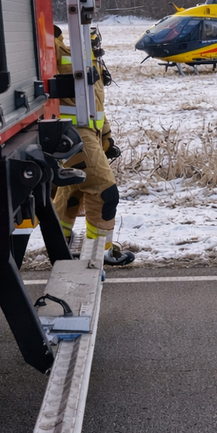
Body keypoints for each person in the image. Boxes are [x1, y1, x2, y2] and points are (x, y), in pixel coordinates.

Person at [52, 25, 134, 266]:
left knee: (73, 189)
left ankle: (59, 241)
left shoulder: (89, 62)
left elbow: (95, 107)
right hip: (72, 133)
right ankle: (101, 251)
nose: (99, 49)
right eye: (95, 44)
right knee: (104, 191)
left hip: (85, 134)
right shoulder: (54, 50)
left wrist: (106, 137)